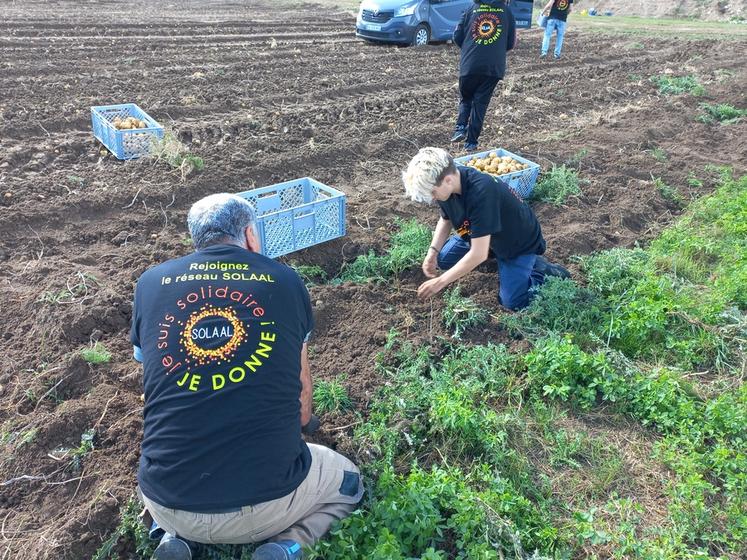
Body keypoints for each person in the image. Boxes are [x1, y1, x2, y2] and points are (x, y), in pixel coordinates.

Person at [130, 193, 363, 560]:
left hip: (166, 498)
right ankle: (287, 545)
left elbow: (152, 387)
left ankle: (168, 534)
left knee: (163, 465)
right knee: (349, 481)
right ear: (251, 235)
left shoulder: (150, 284)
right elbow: (301, 399)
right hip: (267, 503)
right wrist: (303, 423)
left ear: (196, 240)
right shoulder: (284, 281)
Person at [402, 147, 570, 310]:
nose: (432, 198)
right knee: (443, 259)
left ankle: (543, 270)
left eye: (432, 192)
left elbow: (478, 254)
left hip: (516, 243)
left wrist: (440, 282)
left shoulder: (482, 192)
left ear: (448, 180)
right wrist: (433, 251)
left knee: (512, 302)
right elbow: (445, 218)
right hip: (481, 235)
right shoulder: (447, 185)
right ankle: (500, 260)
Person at [451, 0, 516, 151]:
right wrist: (495, 48)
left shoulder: (470, 9)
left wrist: (470, 47)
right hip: (493, 67)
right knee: (480, 104)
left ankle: (460, 127)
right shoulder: (507, 12)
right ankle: (471, 142)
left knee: (466, 97)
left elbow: (457, 36)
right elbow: (511, 43)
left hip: (470, 63)